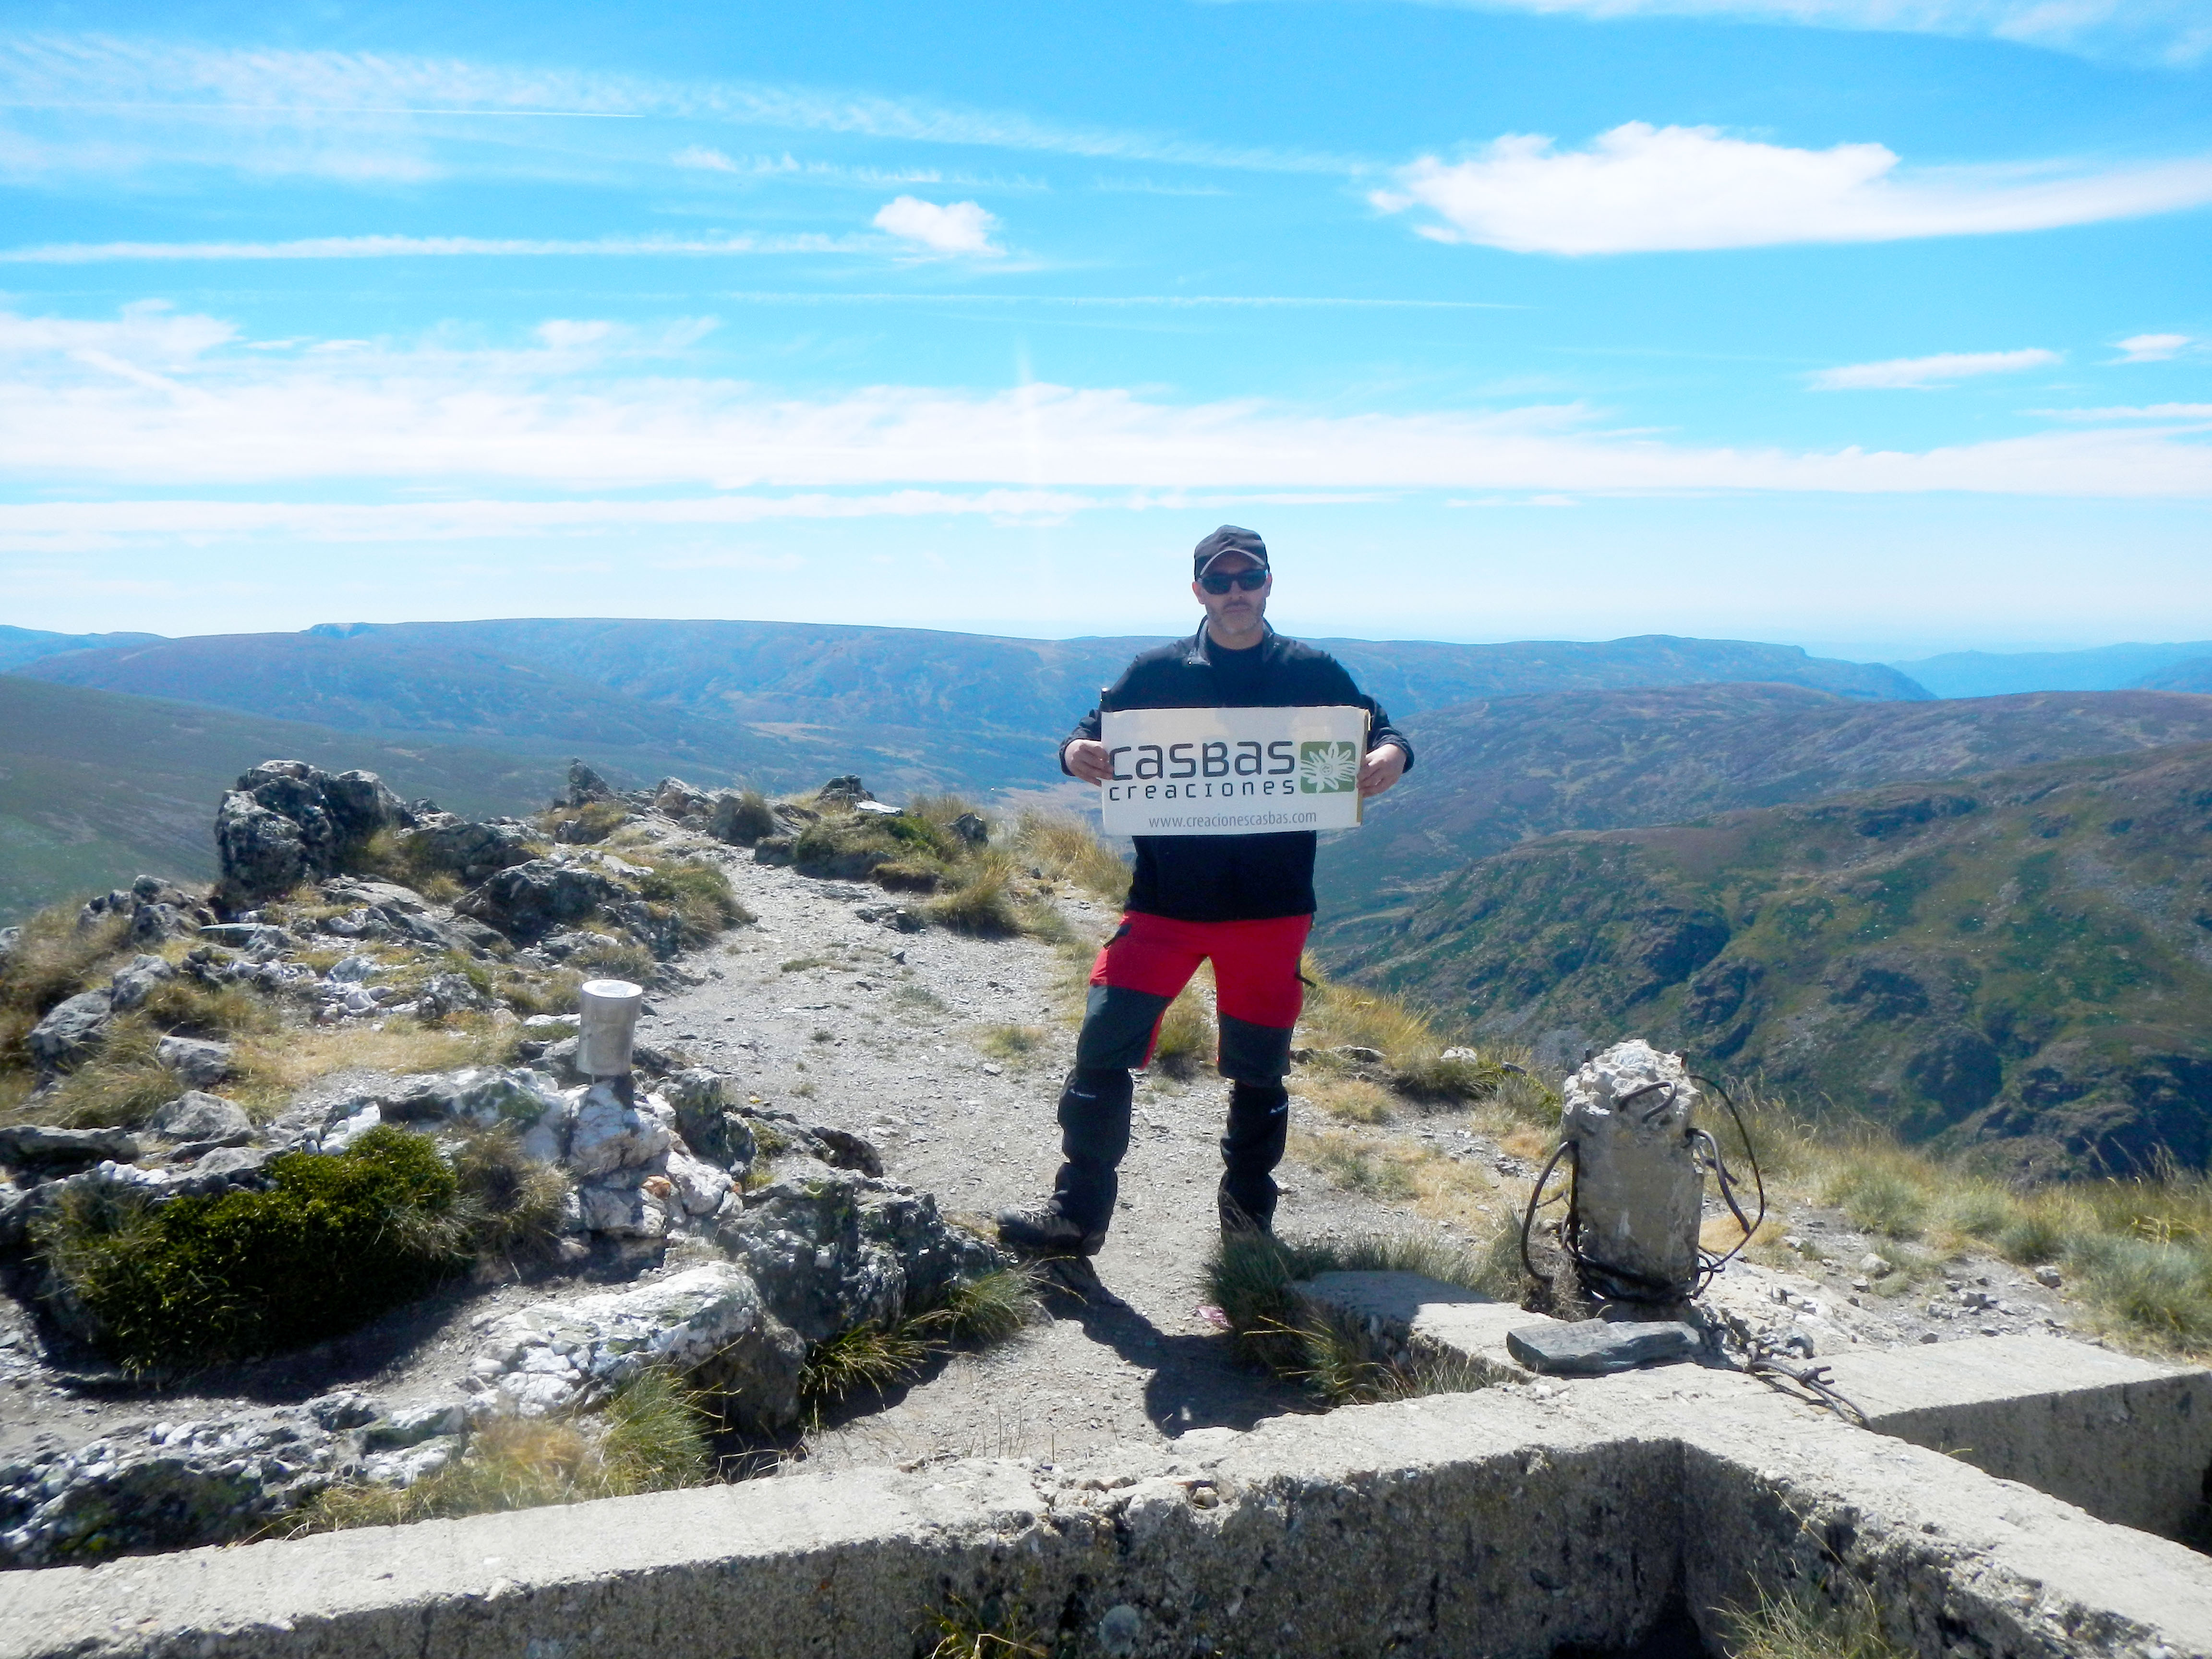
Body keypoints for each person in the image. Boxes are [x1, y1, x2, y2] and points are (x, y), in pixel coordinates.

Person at [998, 525, 1415, 1258]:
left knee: (1259, 1071)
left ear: (1267, 584)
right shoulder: (1156, 671)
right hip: (1165, 904)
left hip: (1271, 907)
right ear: (1199, 591)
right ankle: (1076, 1217)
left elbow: (1379, 727)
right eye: (1218, 582)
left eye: (1246, 578)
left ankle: (1248, 1232)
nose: (1234, 593)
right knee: (1103, 1046)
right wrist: (1074, 754)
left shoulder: (1310, 668)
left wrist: (1391, 756)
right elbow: (1087, 733)